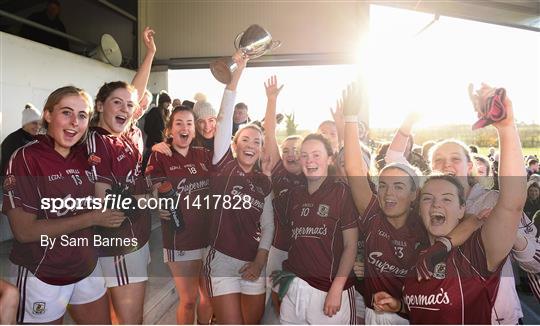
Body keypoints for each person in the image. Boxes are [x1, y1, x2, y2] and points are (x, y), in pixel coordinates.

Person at [386, 84, 539, 324]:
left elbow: (533, 258)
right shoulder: (428, 202)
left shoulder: (491, 200)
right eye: (438, 160)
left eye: (455, 159)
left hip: (498, 317)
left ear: (469, 167)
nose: (446, 165)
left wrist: (512, 235)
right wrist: (407, 124)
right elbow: (393, 161)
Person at [3, 86, 125, 324]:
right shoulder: (26, 158)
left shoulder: (88, 156)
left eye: (82, 115)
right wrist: (92, 218)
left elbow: (123, 112)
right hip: (43, 273)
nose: (74, 123)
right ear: (48, 115)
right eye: (66, 112)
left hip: (86, 266)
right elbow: (24, 232)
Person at [342, 83, 425, 324]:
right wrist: (350, 118)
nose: (388, 193)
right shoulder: (372, 216)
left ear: (413, 194)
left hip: (411, 316)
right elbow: (354, 169)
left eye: (398, 186)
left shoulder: (424, 225)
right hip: (372, 315)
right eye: (384, 185)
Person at [203, 53, 276, 324]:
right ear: (234, 144)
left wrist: (259, 262)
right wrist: (237, 74)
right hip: (222, 261)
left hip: (254, 262)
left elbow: (268, 225)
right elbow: (223, 118)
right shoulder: (223, 165)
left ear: (260, 149)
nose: (251, 145)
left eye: (257, 142)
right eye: (245, 139)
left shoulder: (263, 182)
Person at [274, 133, 358, 324]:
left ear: (329, 159)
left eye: (316, 155)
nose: (309, 160)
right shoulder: (294, 195)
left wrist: (336, 288)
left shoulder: (342, 192)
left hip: (328, 292)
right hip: (294, 287)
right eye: (304, 155)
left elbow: (351, 246)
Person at [87, 81, 150, 324]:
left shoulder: (128, 135)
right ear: (100, 106)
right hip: (119, 244)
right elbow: (106, 202)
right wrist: (149, 200)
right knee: (132, 320)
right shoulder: (98, 140)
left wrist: (150, 53)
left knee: (124, 318)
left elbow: (132, 92)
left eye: (130, 105)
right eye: (117, 102)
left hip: (137, 236)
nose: (125, 109)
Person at [259, 76, 305, 318]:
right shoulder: (278, 171)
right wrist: (272, 100)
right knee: (277, 292)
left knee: (301, 295)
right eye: (286, 150)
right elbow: (269, 131)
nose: (290, 154)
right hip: (279, 245)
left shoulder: (315, 176)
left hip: (306, 248)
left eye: (296, 150)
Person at [1, 104, 41, 178]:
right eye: (34, 123)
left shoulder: (35, 138)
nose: (38, 127)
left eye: (40, 124)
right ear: (25, 124)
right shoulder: (13, 140)